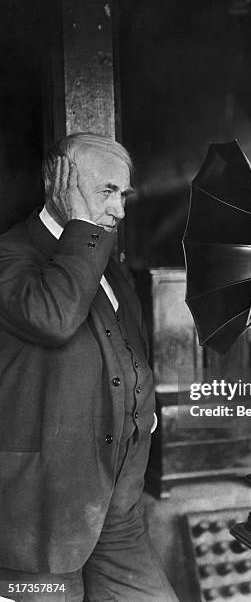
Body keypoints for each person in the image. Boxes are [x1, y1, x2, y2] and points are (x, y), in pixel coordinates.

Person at [0, 133, 179, 602]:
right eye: (106, 191)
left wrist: (144, 415)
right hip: (41, 522)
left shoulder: (102, 256)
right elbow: (55, 318)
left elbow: (127, 347)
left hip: (115, 509)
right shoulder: (10, 253)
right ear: (58, 185)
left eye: (123, 194)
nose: (120, 209)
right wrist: (81, 223)